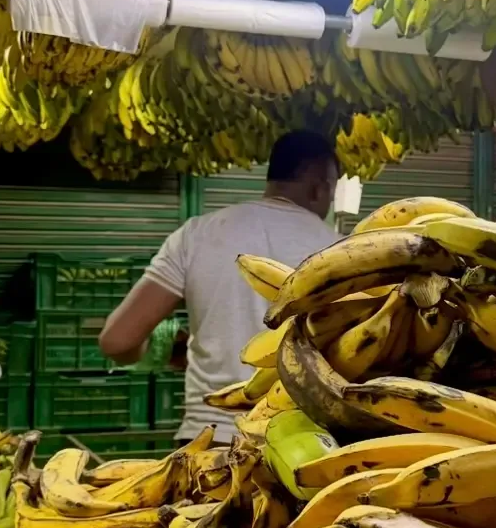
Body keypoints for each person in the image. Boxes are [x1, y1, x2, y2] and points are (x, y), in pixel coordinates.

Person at [100, 130, 340, 443]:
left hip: (210, 438)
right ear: (321, 186)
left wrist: (157, 352)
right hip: (306, 442)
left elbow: (117, 341)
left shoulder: (197, 233)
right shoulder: (342, 250)